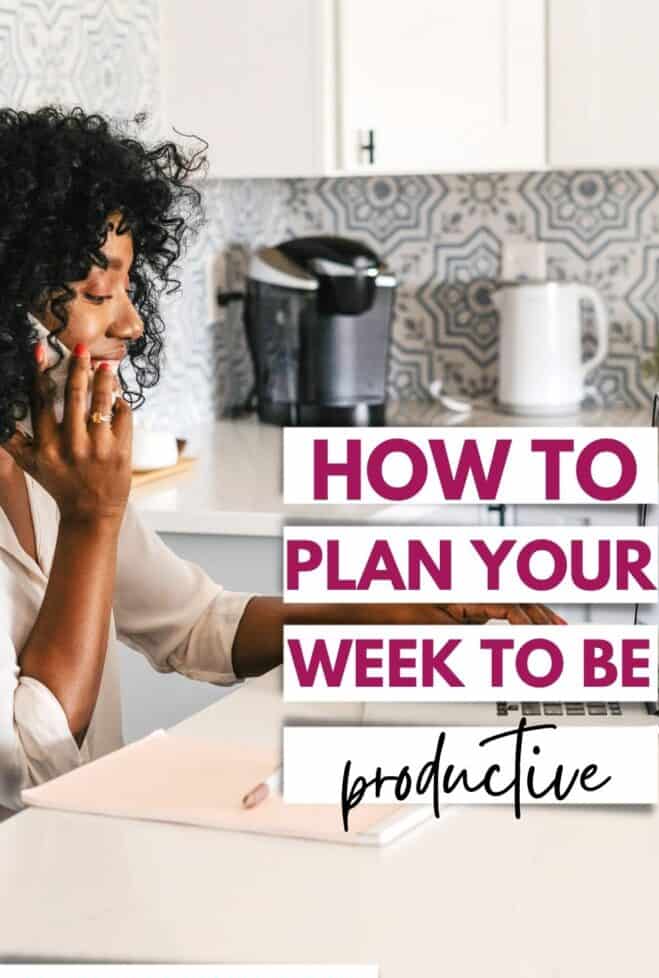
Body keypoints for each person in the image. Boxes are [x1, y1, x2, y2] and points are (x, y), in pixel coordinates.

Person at [0, 107, 562, 818]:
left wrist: (379, 613)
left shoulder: (53, 445)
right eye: (98, 293)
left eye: (127, 290)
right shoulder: (84, 487)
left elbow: (195, 623)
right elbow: (24, 769)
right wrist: (92, 518)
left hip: (83, 858)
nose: (132, 323)